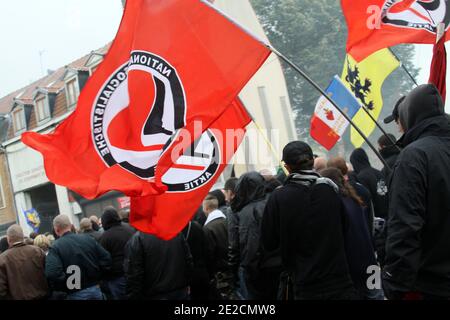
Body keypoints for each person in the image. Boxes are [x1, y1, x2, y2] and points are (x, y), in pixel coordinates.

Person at [261, 141, 355, 300]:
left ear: (287, 166)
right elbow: (347, 228)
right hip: (339, 281)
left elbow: (268, 242)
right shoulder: (330, 190)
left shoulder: (279, 198)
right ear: (312, 160)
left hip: (305, 284)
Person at [383, 84, 450, 300]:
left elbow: (405, 227)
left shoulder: (414, 156)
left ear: (409, 117)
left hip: (431, 285)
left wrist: (395, 284)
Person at [320, 168, 382, 300]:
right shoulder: (355, 200)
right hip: (370, 261)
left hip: (353, 265)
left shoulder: (337, 205)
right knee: (376, 295)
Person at [229, 172, 281, 300]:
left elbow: (239, 245)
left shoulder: (241, 211)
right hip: (279, 265)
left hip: (256, 270)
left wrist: (235, 271)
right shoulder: (273, 202)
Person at [46, 215, 112, 300]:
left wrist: (67, 284)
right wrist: (98, 276)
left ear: (56, 230)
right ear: (71, 226)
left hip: (75, 292)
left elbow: (52, 273)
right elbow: (106, 258)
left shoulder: (56, 247)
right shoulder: (88, 239)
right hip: (95, 288)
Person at [125, 232, 193, 300]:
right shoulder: (177, 233)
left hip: (155, 294)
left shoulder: (138, 238)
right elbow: (188, 261)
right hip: (179, 291)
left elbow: (134, 274)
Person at [0, 225, 48, 300]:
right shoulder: (37, 251)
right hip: (43, 296)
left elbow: (1, 289)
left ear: (8, 240)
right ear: (22, 237)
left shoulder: (2, 259)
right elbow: (49, 274)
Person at [99, 206, 135, 300]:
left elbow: (103, 259)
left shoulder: (105, 237)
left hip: (116, 277)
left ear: (104, 221)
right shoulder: (130, 229)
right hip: (134, 272)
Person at [350, 148, 389, 219]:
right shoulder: (378, 172)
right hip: (387, 212)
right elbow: (383, 192)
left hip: (375, 215)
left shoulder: (361, 177)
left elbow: (366, 199)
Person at [202, 195, 229, 299]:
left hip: (221, 272)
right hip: (235, 265)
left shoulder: (208, 228)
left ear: (206, 208)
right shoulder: (228, 220)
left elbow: (210, 253)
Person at [182, 220, 210, 300]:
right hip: (201, 272)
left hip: (186, 277)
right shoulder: (197, 226)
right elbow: (207, 250)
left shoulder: (175, 231)